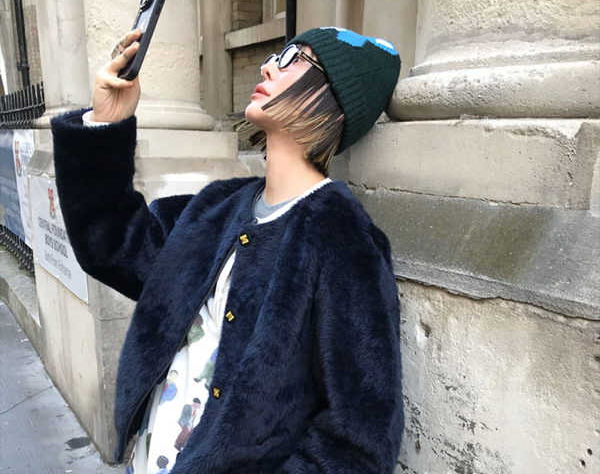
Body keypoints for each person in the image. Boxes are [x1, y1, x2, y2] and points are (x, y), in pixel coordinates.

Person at [50, 25, 405, 474]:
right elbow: (114, 246)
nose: (268, 67)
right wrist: (105, 124)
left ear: (336, 101)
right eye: (276, 56)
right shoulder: (217, 206)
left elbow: (360, 440)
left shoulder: (344, 240)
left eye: (294, 59)